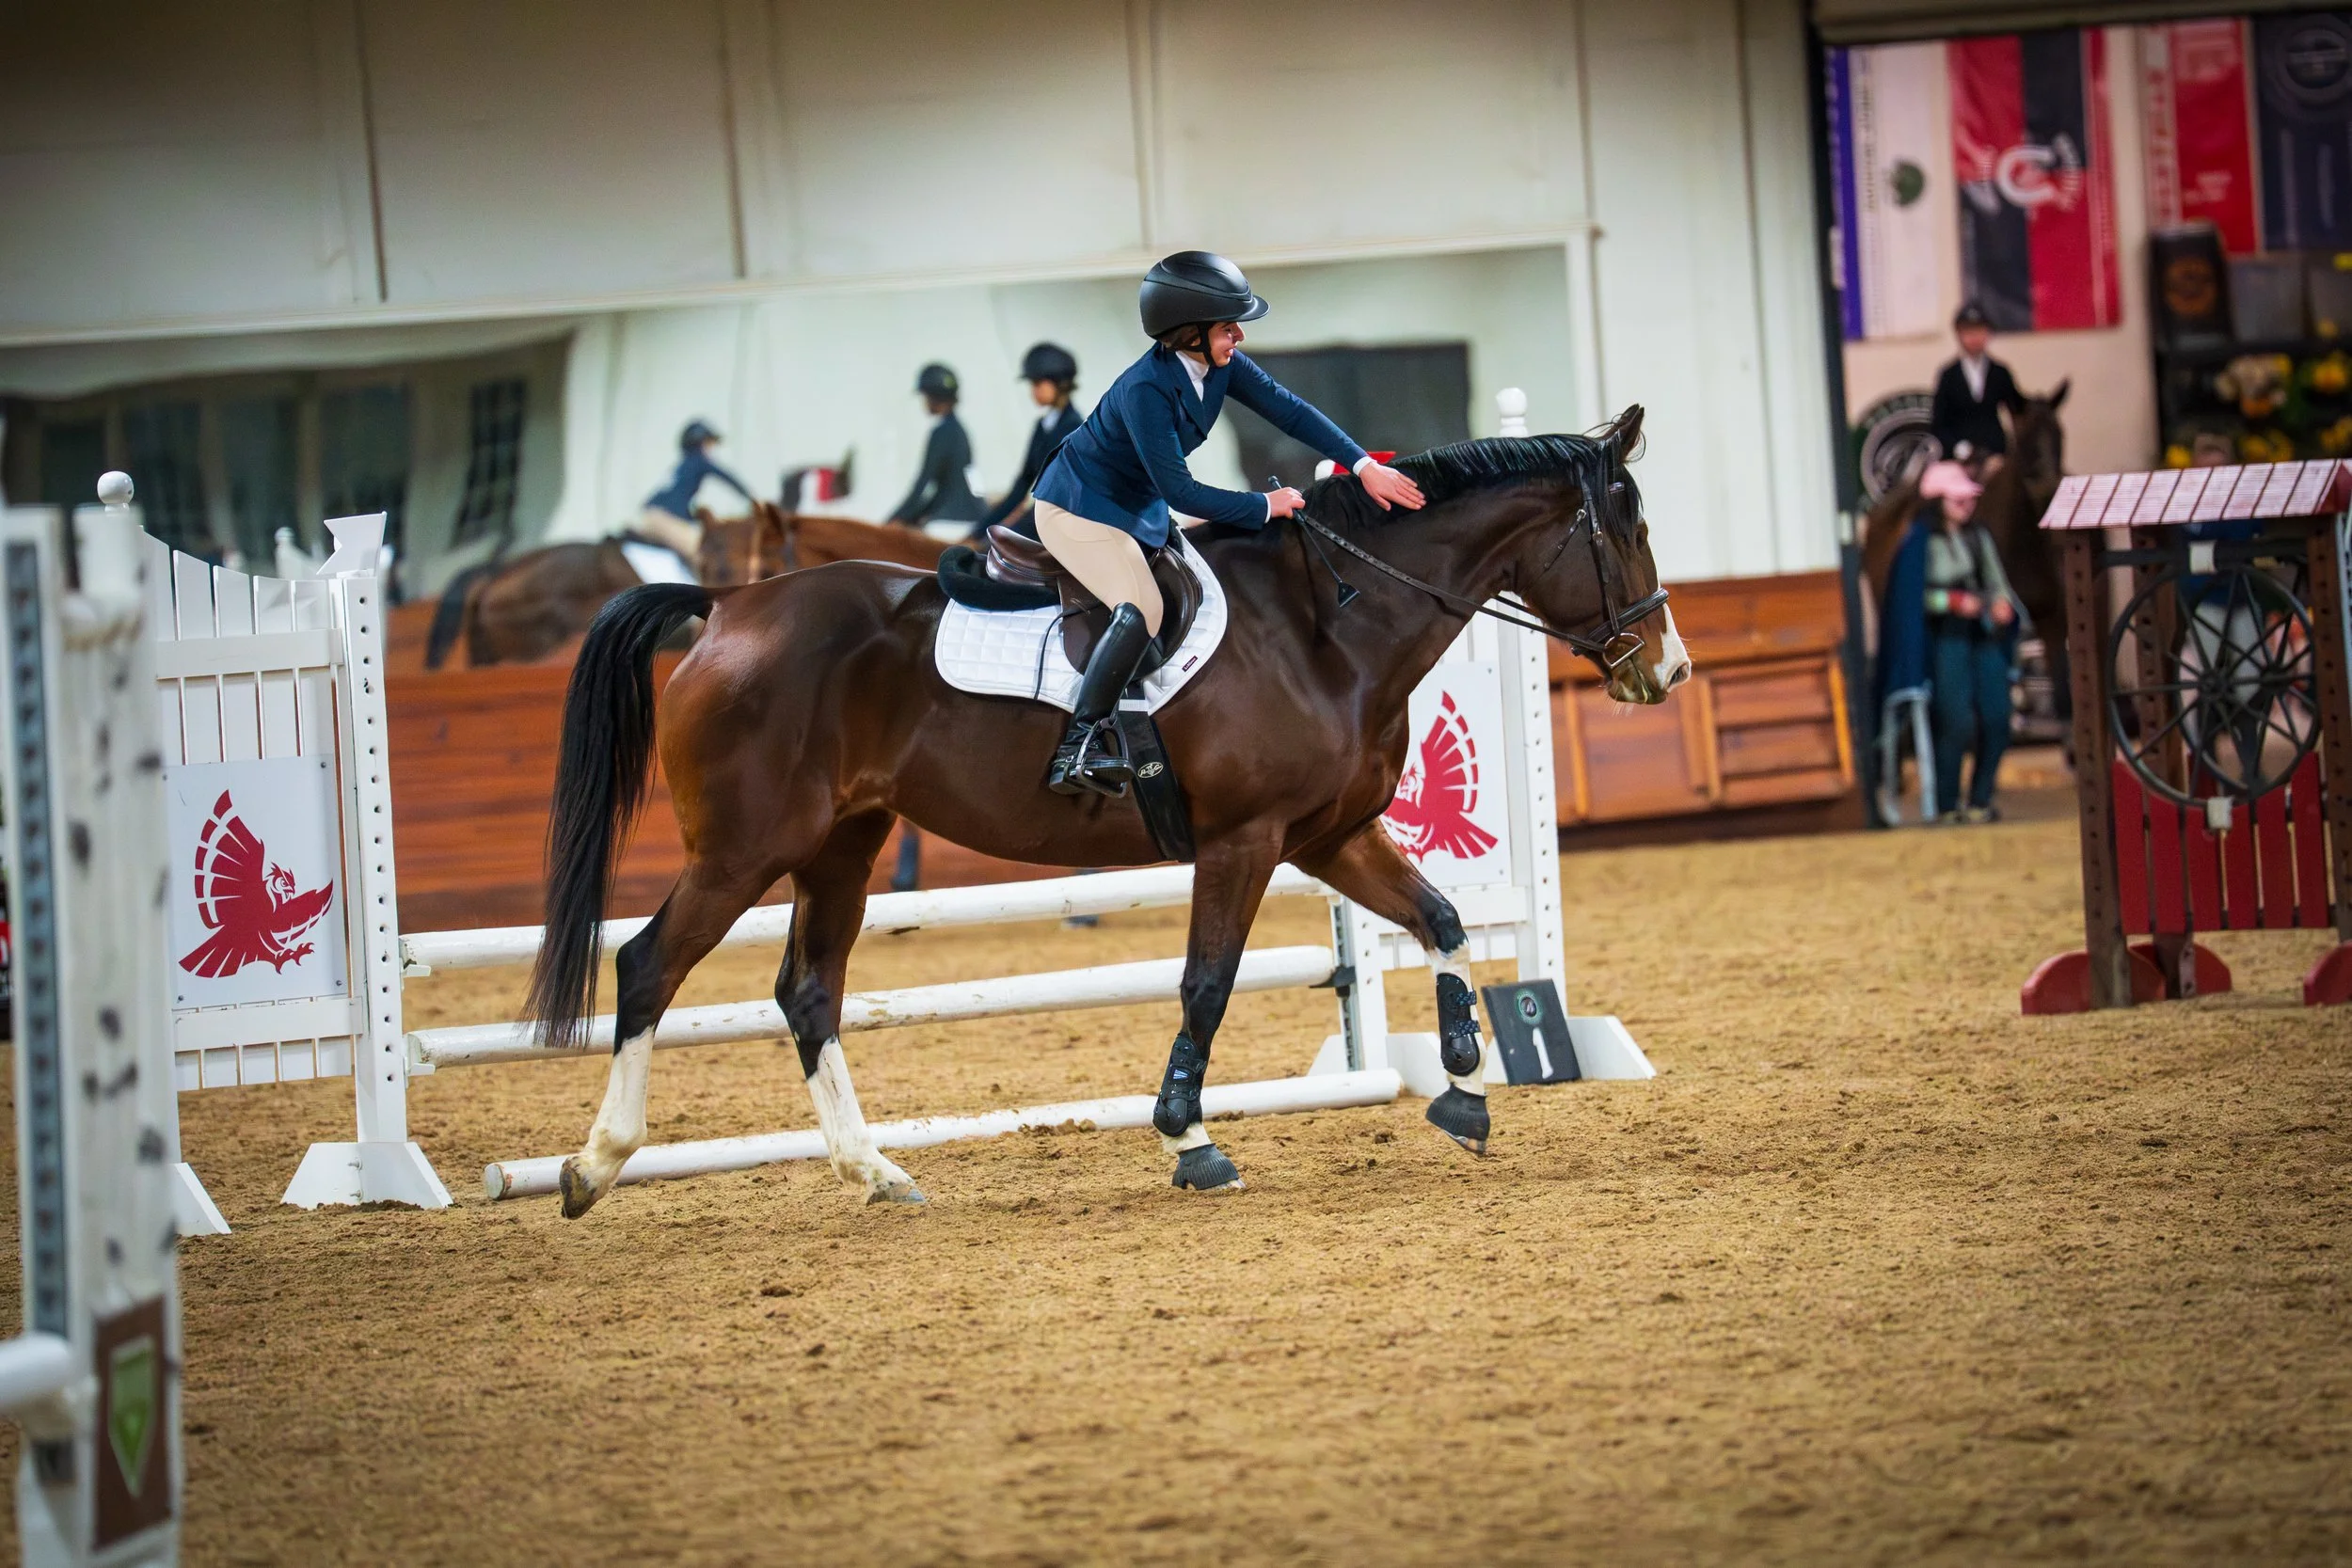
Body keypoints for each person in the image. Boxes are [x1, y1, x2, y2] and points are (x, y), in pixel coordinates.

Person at [1029, 249, 1426, 796]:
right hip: (1077, 509)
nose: (1238, 335)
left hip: (1134, 509)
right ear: (1188, 333)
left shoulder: (1218, 367)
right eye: (1226, 327)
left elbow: (1289, 409)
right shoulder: (1146, 388)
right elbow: (1180, 490)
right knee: (1144, 607)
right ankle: (1077, 746)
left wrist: (1362, 465)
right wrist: (1265, 506)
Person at [1897, 462, 2018, 823]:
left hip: (1982, 634)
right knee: (1955, 721)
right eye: (1957, 499)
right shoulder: (1919, 543)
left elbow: (1997, 580)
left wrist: (2001, 603)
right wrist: (1950, 602)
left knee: (1997, 716)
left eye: (1967, 499)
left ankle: (1981, 797)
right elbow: (1911, 597)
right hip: (1946, 636)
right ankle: (1947, 802)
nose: (1966, 505)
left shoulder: (1978, 537)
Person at [976, 342, 1085, 538]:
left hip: (1061, 523)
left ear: (1059, 383)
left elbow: (1055, 495)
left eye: (1037, 384)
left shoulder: (1074, 428)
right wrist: (979, 531)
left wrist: (1009, 531)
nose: (1032, 391)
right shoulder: (1042, 426)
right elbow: (1022, 484)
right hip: (1039, 516)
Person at [640, 420, 753, 562]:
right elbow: (727, 477)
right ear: (698, 443)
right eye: (708, 444)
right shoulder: (699, 461)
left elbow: (677, 500)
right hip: (665, 519)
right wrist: (751, 499)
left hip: (652, 515)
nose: (710, 449)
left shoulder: (682, 466)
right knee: (703, 555)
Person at [888, 364, 984, 530]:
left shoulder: (942, 432)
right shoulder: (959, 430)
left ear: (934, 397)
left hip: (949, 522)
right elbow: (970, 478)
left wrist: (895, 518)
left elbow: (925, 483)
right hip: (974, 517)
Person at [1930, 303, 2024, 467]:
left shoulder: (2000, 372)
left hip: (1996, 453)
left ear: (1988, 333)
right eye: (1968, 332)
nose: (1974, 338)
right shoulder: (1949, 375)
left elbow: (2017, 409)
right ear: (1959, 335)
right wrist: (1957, 447)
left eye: (1979, 331)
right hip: (1959, 457)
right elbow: (1939, 422)